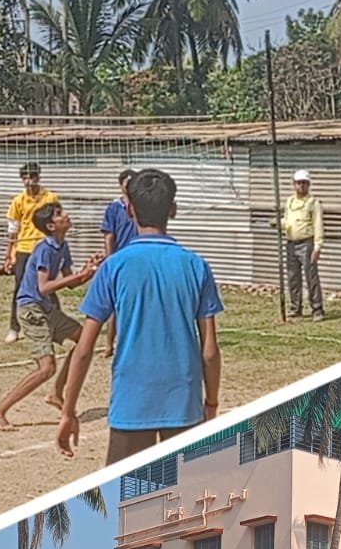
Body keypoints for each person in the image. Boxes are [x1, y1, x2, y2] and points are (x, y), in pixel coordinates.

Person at [57, 169, 223, 464]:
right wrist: (210, 403)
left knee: (124, 501)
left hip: (131, 403)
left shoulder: (114, 267)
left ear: (130, 209)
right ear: (173, 209)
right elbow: (209, 350)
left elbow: (83, 349)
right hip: (183, 403)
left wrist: (69, 410)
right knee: (188, 501)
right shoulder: (196, 265)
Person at [0, 202, 98, 432]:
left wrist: (89, 271)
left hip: (45, 308)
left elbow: (70, 282)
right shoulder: (44, 249)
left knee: (82, 340)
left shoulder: (62, 246)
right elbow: (44, 286)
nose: (66, 215)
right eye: (60, 214)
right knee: (46, 368)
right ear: (51, 225)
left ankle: (56, 393)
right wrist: (80, 274)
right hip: (31, 309)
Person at [4, 162, 60, 341]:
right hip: (24, 248)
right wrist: (9, 254)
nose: (29, 182)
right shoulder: (18, 200)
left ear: (38, 177)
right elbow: (13, 229)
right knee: (21, 288)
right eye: (25, 178)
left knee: (48, 287)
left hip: (44, 247)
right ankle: (15, 327)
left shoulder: (50, 197)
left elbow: (57, 221)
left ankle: (58, 323)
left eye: (32, 177)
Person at [100, 170, 137, 357]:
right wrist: (110, 259)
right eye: (127, 183)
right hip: (120, 259)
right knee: (114, 304)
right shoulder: (114, 208)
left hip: (138, 258)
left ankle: (132, 343)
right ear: (120, 185)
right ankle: (109, 345)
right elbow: (109, 235)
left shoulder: (142, 206)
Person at [281, 170, 325, 321]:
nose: (301, 186)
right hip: (291, 243)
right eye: (298, 183)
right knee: (293, 277)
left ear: (309, 185)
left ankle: (317, 309)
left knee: (311, 277)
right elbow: (287, 220)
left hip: (307, 243)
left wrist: (318, 246)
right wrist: (280, 224)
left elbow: (318, 224)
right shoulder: (290, 202)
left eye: (304, 183)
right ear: (294, 184)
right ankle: (295, 308)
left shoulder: (313, 203)